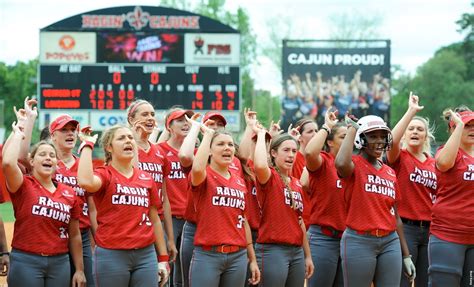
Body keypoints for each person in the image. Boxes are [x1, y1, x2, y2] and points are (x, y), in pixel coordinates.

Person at [77, 125, 169, 287]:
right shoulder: (105, 174)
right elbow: (85, 181)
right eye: (121, 138)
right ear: (109, 147)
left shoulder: (146, 178)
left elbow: (155, 219)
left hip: (145, 254)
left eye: (130, 138)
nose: (128, 141)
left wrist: (162, 259)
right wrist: (86, 145)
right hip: (112, 254)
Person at [2, 116, 86, 286]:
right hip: (27, 259)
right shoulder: (24, 184)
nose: (48, 158)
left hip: (59, 262)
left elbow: (75, 235)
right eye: (42, 154)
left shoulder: (69, 193)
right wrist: (19, 132)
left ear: (56, 163)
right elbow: (8, 163)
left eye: (52, 155)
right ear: (31, 161)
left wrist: (79, 269)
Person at [335, 115, 416, 287]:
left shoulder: (390, 172)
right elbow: (341, 163)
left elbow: (396, 217)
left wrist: (406, 255)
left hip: (390, 241)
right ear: (360, 139)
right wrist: (352, 129)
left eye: (382, 136)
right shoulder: (354, 164)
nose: (379, 141)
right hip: (359, 240)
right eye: (372, 136)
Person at [188, 122, 260, 286]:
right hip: (208, 255)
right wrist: (207, 135)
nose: (227, 148)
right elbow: (197, 168)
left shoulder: (240, 182)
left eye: (230, 144)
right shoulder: (204, 175)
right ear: (210, 151)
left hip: (238, 256)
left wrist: (252, 259)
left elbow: (243, 221)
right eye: (220, 144)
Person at [253, 127, 314, 286]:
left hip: (296, 251)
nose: (291, 155)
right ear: (273, 153)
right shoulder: (270, 176)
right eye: (286, 150)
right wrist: (261, 135)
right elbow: (259, 165)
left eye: (294, 151)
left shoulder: (296, 183)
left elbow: (299, 221)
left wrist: (307, 255)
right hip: (273, 250)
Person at [386, 93, 436, 287]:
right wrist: (411, 111)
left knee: (426, 281)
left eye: (420, 129)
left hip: (431, 230)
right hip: (405, 228)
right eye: (411, 129)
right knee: (403, 281)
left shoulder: (434, 163)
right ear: (405, 134)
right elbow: (390, 141)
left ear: (426, 135)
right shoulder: (400, 157)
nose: (415, 132)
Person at [126, 100, 178, 263]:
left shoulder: (159, 152)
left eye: (152, 115)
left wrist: (170, 238)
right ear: (131, 119)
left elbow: (165, 199)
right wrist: (133, 141)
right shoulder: (123, 148)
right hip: (131, 223)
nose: (150, 118)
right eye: (144, 114)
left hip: (158, 222)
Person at [48, 114, 97, 286]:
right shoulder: (46, 164)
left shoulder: (83, 164)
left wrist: (97, 241)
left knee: (89, 281)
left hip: (82, 235)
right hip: (53, 234)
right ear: (53, 135)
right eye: (64, 130)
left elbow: (92, 207)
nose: (70, 134)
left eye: (73, 130)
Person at [429, 106, 474, 286]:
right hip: (448, 235)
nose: (472, 129)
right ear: (453, 128)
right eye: (467, 125)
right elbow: (443, 163)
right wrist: (460, 126)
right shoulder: (447, 152)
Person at [304, 110, 347, 287]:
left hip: (349, 241)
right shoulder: (324, 162)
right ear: (330, 142)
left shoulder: (354, 167)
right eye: (343, 136)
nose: (348, 140)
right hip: (323, 239)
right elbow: (309, 153)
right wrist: (327, 126)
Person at [157, 108, 195, 287]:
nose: (186, 122)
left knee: (184, 273)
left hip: (191, 219)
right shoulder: (159, 150)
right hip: (168, 219)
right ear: (169, 127)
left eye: (188, 119)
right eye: (179, 120)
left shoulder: (195, 151)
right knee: (164, 270)